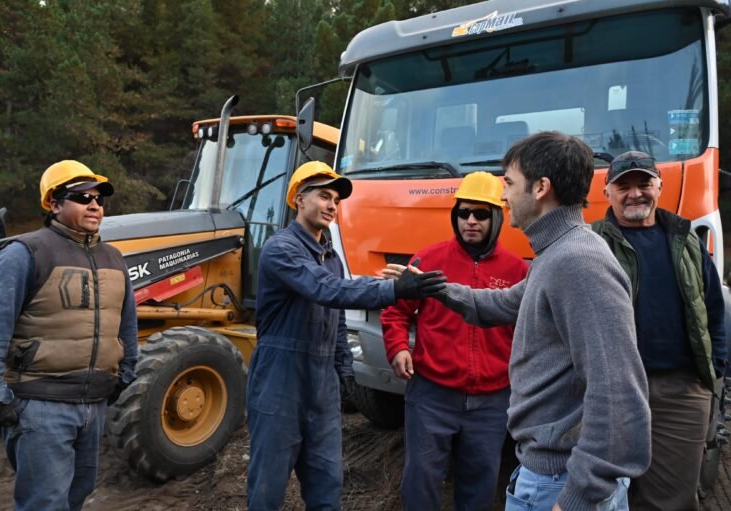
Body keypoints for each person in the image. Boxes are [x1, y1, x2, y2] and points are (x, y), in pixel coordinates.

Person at [430, 132, 651, 511]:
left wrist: (577, 497)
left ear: (540, 188)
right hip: (546, 475)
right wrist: (434, 288)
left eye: (510, 184)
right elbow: (503, 304)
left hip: (562, 484)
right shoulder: (556, 254)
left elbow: (617, 395)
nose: (503, 196)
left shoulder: (577, 262)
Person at [245, 161, 446, 510]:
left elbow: (336, 317)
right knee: (268, 486)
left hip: (321, 384)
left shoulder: (331, 256)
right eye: (323, 196)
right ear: (299, 199)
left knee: (327, 481)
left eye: (336, 200)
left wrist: (343, 371)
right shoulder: (281, 250)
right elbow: (326, 290)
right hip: (280, 378)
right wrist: (393, 290)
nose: (331, 206)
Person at [0, 160, 139, 511]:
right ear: (54, 205)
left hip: (94, 404)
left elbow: (127, 326)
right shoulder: (26, 253)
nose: (94, 205)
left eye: (100, 198)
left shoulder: (114, 259)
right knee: (44, 503)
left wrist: (126, 374)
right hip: (41, 406)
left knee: (77, 495)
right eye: (82, 197)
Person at [380, 172, 527, 511]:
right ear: (455, 216)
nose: (471, 221)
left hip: (492, 400)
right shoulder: (428, 261)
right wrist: (399, 347)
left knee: (480, 483)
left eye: (480, 214)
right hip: (432, 394)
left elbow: (527, 331)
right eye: (464, 213)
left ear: (497, 217)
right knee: (421, 480)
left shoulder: (517, 270)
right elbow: (396, 311)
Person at [592, 150, 727, 510]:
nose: (635, 193)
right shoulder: (590, 244)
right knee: (604, 494)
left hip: (681, 391)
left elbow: (713, 308)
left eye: (644, 184)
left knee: (672, 499)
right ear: (607, 193)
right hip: (611, 391)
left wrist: (713, 372)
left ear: (659, 187)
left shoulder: (688, 241)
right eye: (624, 186)